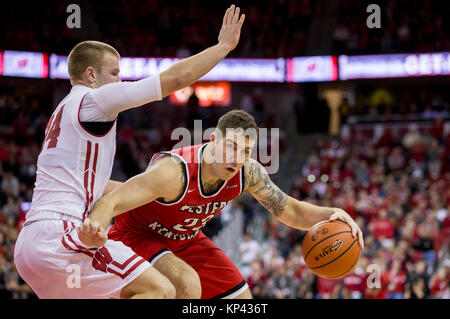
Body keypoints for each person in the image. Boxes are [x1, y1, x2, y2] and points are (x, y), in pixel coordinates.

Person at [13, 4, 246, 299]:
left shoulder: (61, 113)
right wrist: (222, 47)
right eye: (114, 73)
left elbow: (89, 187)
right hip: (61, 235)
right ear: (91, 75)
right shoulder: (93, 101)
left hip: (30, 247)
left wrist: (152, 195)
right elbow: (174, 80)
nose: (119, 80)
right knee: (161, 289)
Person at [80, 110, 365, 299]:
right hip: (138, 236)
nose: (236, 157)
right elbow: (113, 199)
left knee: (243, 300)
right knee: (188, 284)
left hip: (186, 239)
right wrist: (94, 227)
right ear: (213, 139)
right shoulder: (174, 172)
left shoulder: (248, 173)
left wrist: (333, 213)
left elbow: (290, 210)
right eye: (231, 146)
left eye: (245, 150)